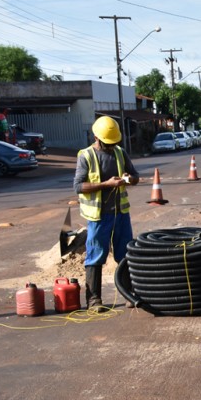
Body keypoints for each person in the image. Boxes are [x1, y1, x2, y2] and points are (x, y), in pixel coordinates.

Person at [73, 116, 140, 311]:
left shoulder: (120, 153)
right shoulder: (86, 156)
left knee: (125, 254)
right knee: (95, 256)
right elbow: (78, 186)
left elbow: (135, 177)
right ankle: (94, 300)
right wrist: (105, 185)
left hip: (120, 213)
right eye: (108, 143)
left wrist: (128, 179)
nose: (111, 146)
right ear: (97, 137)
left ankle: (128, 294)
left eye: (114, 143)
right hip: (99, 216)